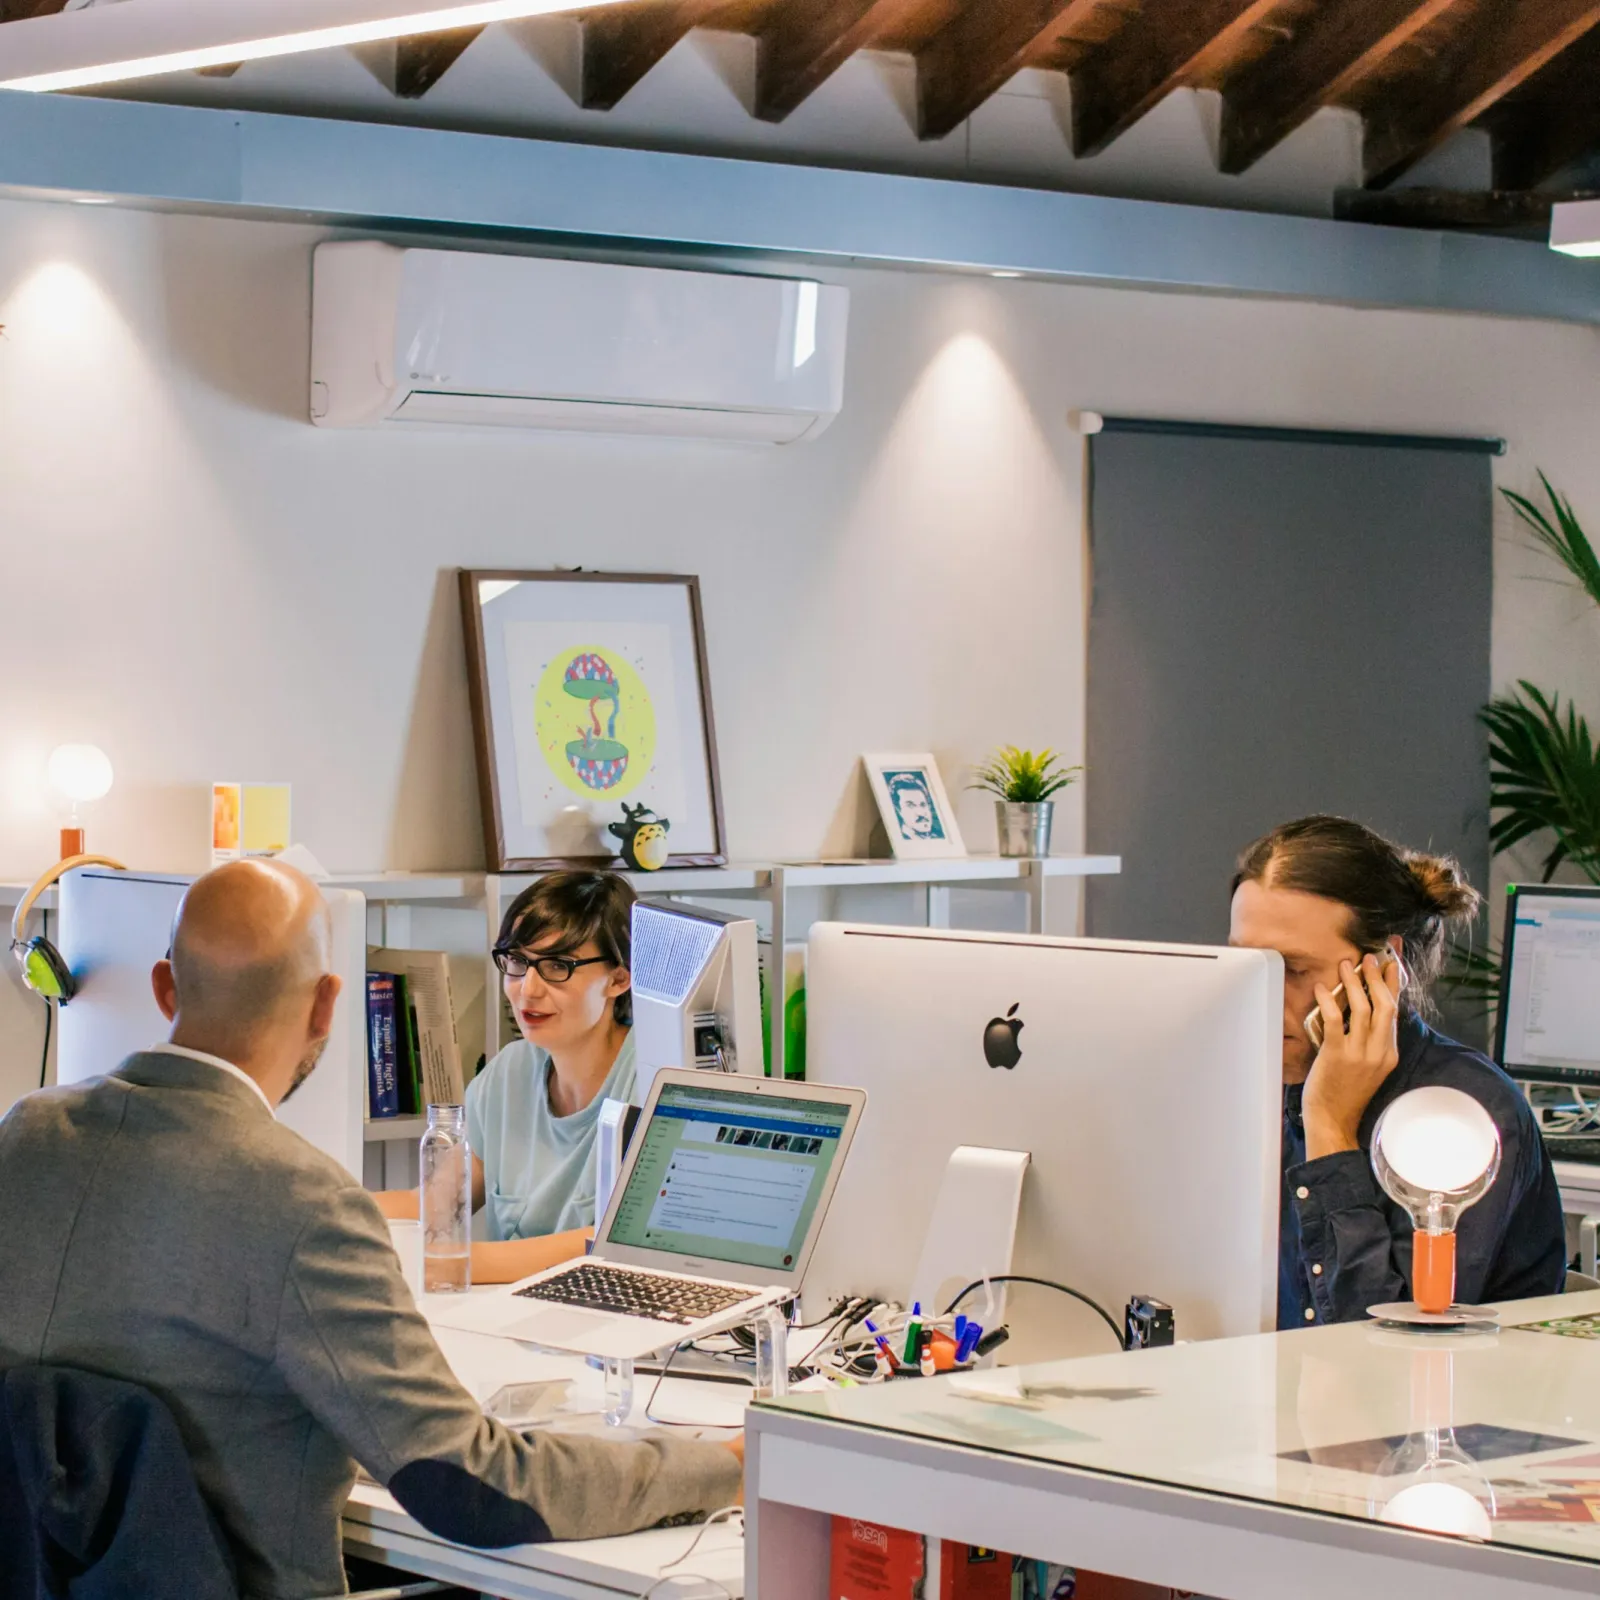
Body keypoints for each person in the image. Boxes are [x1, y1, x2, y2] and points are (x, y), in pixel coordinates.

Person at [0, 860, 740, 1599]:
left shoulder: (25, 1135)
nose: (528, 985)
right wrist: (724, 1465)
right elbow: (476, 1486)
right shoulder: (303, 1204)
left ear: (165, 989)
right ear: (328, 1007)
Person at [1228, 814, 1565, 1328]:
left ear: (1385, 966)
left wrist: (1329, 1126)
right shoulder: (1247, 1083)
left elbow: (1386, 1351)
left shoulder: (1461, 1111)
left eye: (1294, 970)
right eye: (1248, 965)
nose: (1264, 994)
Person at [376, 872, 636, 1285]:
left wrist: (452, 1263)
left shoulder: (652, 1079)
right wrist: (321, 1211)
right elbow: (433, 1205)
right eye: (517, 962)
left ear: (619, 978)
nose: (526, 990)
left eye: (557, 966)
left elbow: (618, 1247)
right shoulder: (509, 1073)